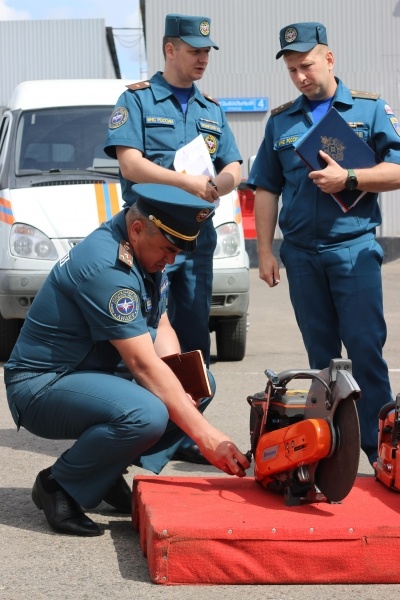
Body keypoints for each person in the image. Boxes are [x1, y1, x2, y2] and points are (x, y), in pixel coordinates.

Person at [3, 183, 250, 537]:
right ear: (137, 228)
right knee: (147, 414)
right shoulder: (106, 266)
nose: (172, 260)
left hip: (92, 372)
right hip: (43, 384)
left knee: (196, 384)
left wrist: (183, 382)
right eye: (168, 249)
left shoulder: (146, 249)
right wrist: (206, 436)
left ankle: (102, 474)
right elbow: (142, 365)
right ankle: (58, 484)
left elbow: (160, 321)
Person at [248, 22, 400, 466]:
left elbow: (396, 170)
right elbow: (265, 188)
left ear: (329, 59)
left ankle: (381, 447)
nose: (300, 77)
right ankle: (333, 450)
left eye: (307, 66)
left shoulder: (369, 111)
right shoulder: (280, 120)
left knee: (365, 350)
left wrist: (349, 177)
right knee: (322, 358)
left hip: (352, 249)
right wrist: (264, 251)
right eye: (292, 70)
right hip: (300, 254)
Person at [104, 14, 242, 464]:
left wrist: (220, 184)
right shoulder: (138, 100)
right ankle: (134, 433)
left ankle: (182, 435)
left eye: (206, 52)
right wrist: (185, 184)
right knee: (142, 340)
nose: (202, 58)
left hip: (197, 242)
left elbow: (234, 166)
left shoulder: (211, 109)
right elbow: (130, 164)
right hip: (148, 242)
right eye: (194, 50)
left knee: (193, 342)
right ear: (169, 49)